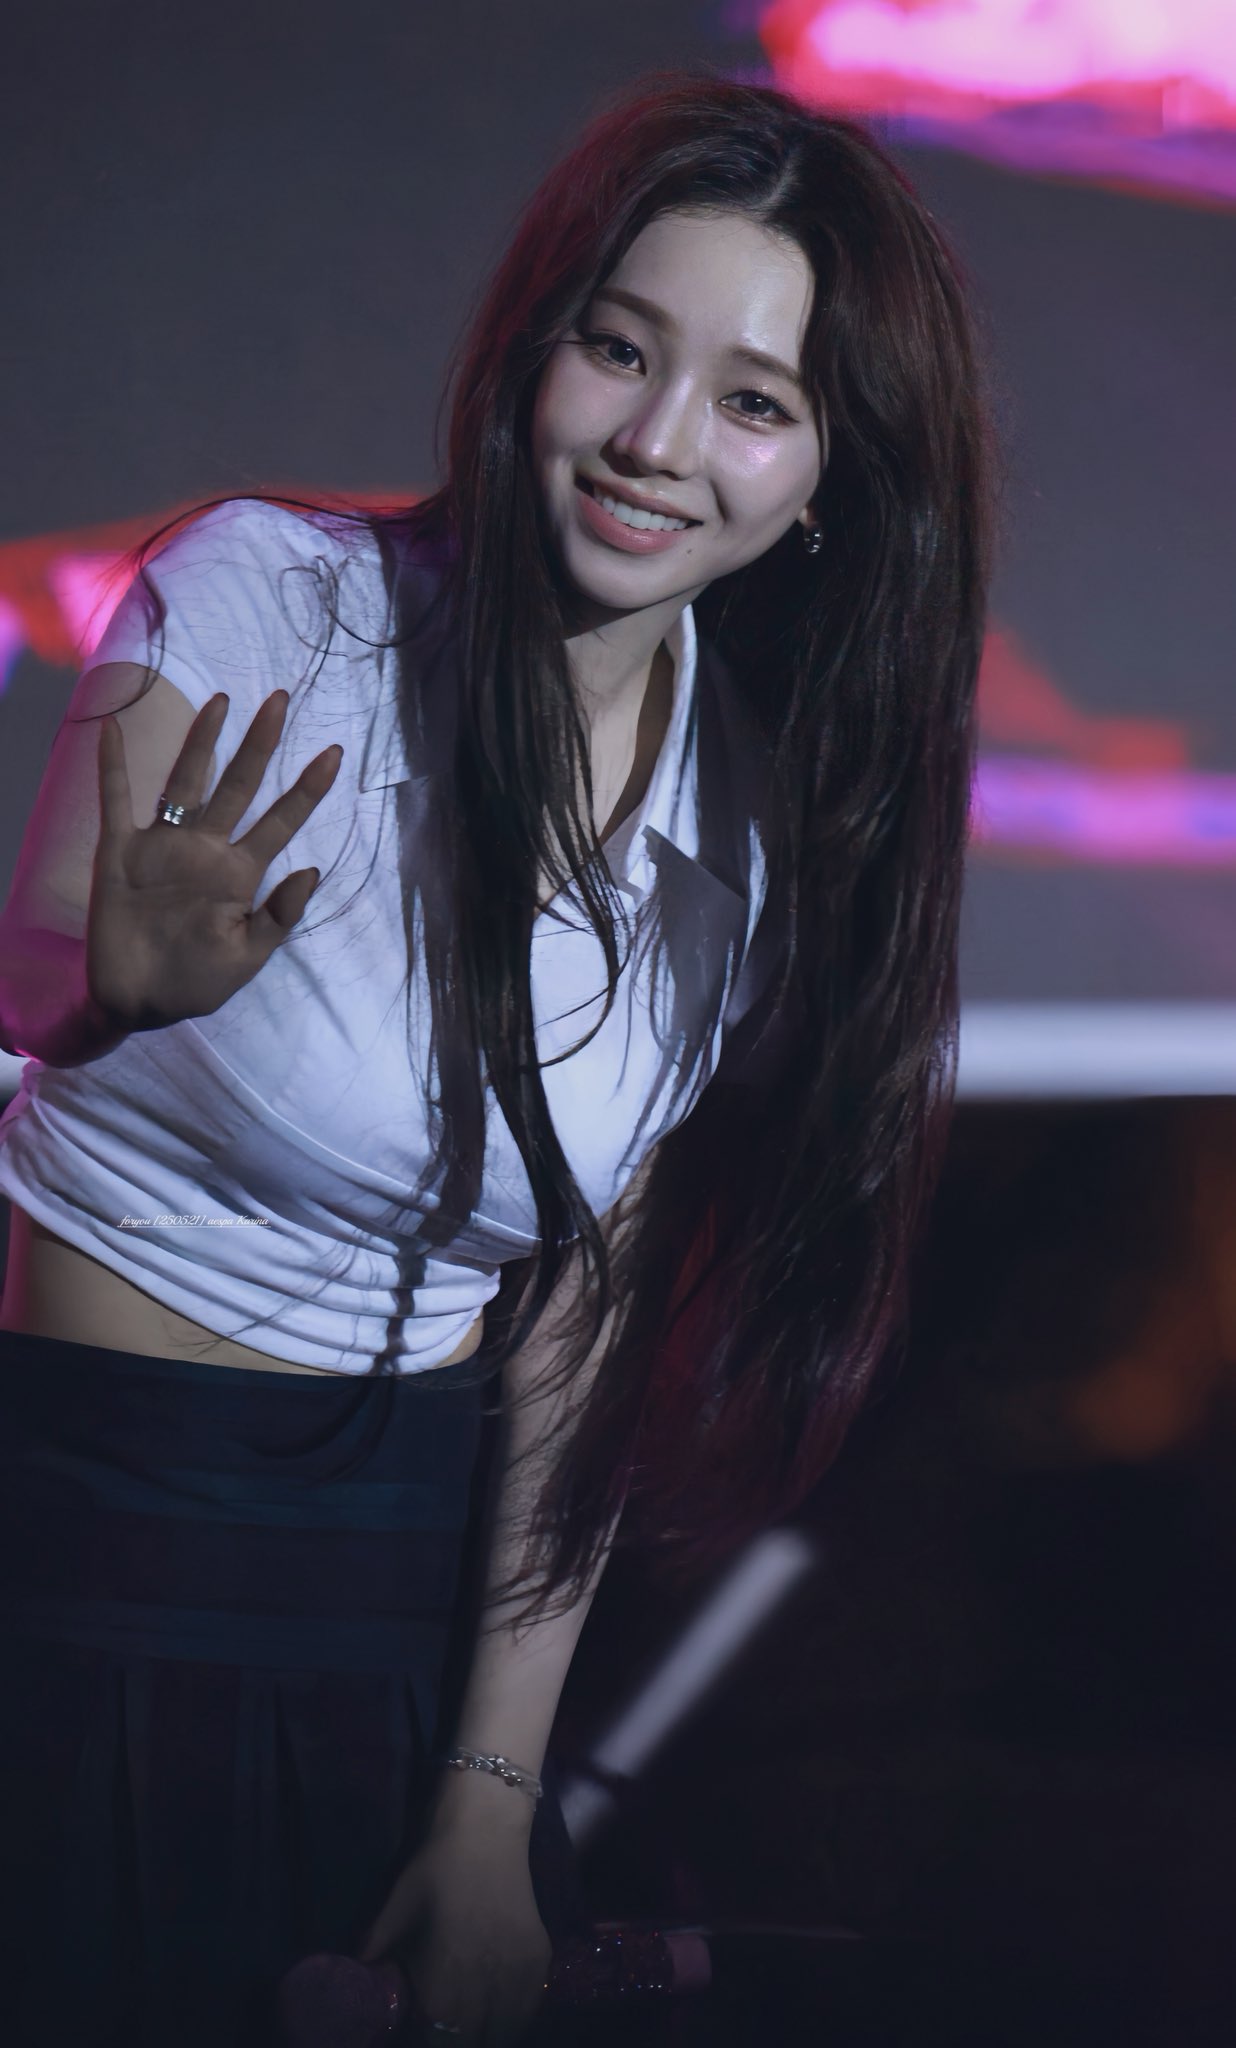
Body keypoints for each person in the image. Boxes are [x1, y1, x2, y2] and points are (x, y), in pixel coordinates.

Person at [0, 69, 993, 2048]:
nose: (654, 442)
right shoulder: (276, 594)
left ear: (826, 479)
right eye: (619, 349)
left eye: (754, 400)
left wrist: (488, 1793)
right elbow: (36, 972)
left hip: (403, 1571)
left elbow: (577, 1320)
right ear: (537, 347)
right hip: (85, 1520)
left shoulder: (743, 838)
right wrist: (111, 991)